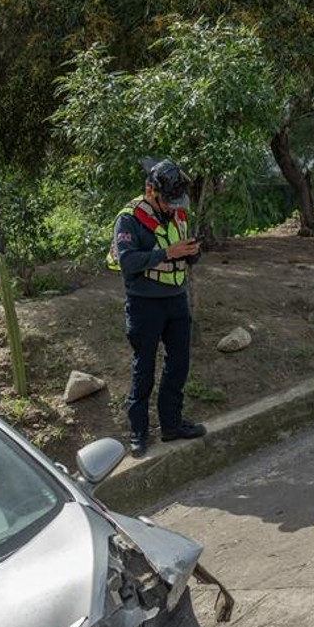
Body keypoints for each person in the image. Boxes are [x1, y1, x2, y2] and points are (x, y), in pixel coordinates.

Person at [110, 159, 207, 458]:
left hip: (176, 300)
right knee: (144, 369)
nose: (171, 207)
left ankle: (171, 425)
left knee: (178, 365)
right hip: (144, 304)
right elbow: (127, 262)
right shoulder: (128, 219)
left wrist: (192, 252)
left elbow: (185, 257)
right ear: (150, 190)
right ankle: (138, 432)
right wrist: (168, 253)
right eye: (166, 200)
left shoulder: (178, 214)